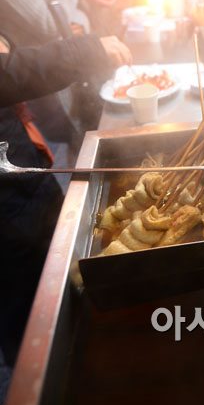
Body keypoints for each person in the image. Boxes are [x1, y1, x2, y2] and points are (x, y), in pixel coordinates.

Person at [0, 32, 131, 366]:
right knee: (26, 290)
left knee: (56, 250)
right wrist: (86, 50)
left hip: (18, 164)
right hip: (9, 203)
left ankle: (77, 336)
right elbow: (8, 72)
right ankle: (39, 368)